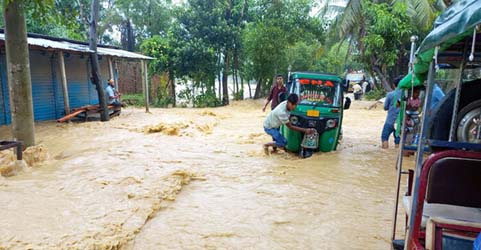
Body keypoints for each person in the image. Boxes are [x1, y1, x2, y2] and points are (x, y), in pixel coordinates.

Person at [381, 76, 403, 149]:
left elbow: (385, 108)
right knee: (398, 141)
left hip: (390, 121)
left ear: (394, 85)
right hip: (400, 123)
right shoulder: (407, 96)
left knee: (384, 137)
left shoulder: (390, 95)